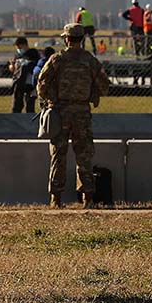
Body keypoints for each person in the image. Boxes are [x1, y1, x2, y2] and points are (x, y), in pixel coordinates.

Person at [36, 24, 110, 208]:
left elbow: (41, 83)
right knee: (84, 155)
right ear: (82, 39)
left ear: (66, 39)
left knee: (58, 155)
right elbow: (104, 86)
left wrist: (50, 99)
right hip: (82, 113)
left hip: (60, 113)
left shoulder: (57, 59)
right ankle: (88, 198)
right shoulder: (90, 60)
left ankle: (56, 198)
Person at [8, 37, 40, 114]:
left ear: (25, 45)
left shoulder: (33, 53)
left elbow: (36, 66)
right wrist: (12, 66)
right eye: (17, 48)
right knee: (17, 104)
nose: (19, 49)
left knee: (29, 104)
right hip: (19, 83)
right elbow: (13, 69)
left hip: (29, 82)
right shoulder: (17, 56)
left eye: (20, 47)